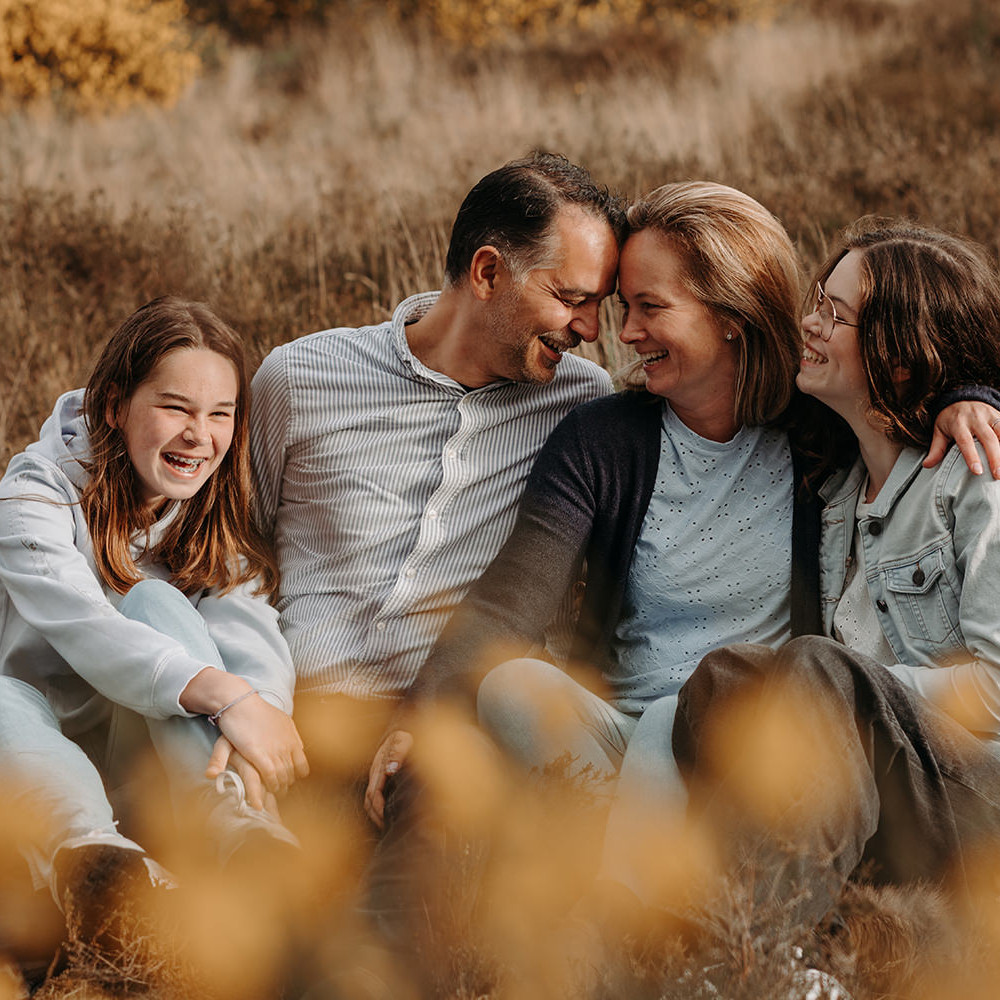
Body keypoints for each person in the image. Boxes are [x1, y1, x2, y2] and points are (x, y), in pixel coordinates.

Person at [378, 185, 1000, 930]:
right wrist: (423, 718)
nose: (624, 335)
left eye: (650, 307)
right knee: (513, 687)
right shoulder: (608, 441)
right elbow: (511, 600)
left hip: (769, 749)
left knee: (705, 698)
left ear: (731, 317)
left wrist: (976, 393)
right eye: (622, 308)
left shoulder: (822, 440)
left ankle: (640, 915)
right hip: (628, 742)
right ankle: (664, 872)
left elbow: (913, 365)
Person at [249, 152, 624, 787]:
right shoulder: (298, 378)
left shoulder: (581, 405)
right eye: (570, 298)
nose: (589, 328)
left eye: (600, 304)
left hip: (460, 722)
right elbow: (234, 552)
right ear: (487, 273)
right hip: (304, 720)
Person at [674, 218, 1000, 931]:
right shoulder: (836, 498)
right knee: (724, 681)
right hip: (891, 800)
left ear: (903, 354)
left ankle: (755, 957)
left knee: (820, 670)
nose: (808, 325)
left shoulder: (979, 475)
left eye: (835, 313)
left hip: (979, 797)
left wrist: (855, 692)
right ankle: (793, 936)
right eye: (816, 302)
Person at [0, 297, 308, 960]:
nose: (201, 434)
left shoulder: (205, 514)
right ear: (114, 405)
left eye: (220, 414)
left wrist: (255, 710)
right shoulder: (35, 493)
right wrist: (222, 695)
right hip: (33, 771)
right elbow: (80, 621)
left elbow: (253, 636)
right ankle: (100, 873)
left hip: (156, 774)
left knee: (159, 609)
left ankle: (243, 845)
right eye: (176, 407)